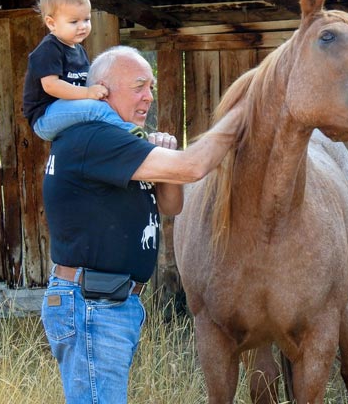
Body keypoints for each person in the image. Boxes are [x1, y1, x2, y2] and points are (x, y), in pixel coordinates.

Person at [40, 45, 243, 403]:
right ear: (102, 89)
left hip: (106, 302)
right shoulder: (95, 138)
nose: (148, 97)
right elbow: (193, 168)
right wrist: (241, 117)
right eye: (138, 87)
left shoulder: (115, 141)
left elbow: (171, 205)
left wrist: (164, 164)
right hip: (93, 305)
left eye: (150, 87)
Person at [23, 0, 143, 141]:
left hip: (68, 111)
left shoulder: (78, 50)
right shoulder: (48, 49)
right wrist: (88, 93)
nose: (82, 26)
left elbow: (86, 82)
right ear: (51, 23)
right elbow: (51, 86)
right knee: (95, 108)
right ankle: (128, 133)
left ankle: (111, 136)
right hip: (45, 117)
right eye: (74, 22)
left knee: (102, 104)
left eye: (86, 19)